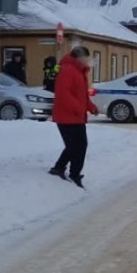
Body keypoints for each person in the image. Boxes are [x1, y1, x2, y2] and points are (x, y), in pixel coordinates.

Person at [48, 45, 98, 188]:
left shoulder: (79, 72)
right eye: (87, 58)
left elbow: (81, 95)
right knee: (78, 146)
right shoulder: (68, 71)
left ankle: (59, 168)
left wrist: (91, 107)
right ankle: (74, 174)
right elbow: (63, 95)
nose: (89, 61)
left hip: (76, 116)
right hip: (67, 116)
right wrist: (79, 108)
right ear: (79, 57)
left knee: (75, 145)